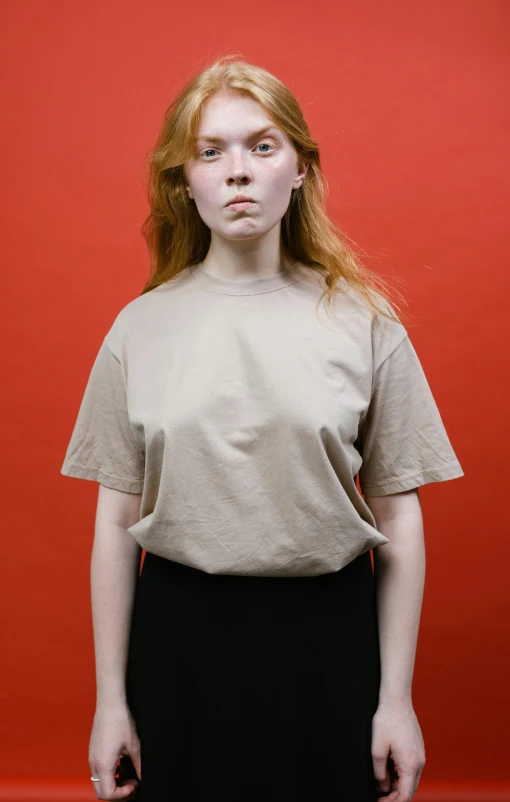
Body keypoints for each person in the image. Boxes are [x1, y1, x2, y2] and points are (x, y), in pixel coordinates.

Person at [61, 55, 464, 802]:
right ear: (185, 180)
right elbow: (115, 521)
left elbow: (399, 518)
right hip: (180, 644)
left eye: (263, 146)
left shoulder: (365, 323)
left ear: (302, 168)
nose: (237, 172)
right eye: (211, 152)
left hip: (328, 640)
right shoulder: (139, 328)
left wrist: (396, 701)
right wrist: (110, 700)